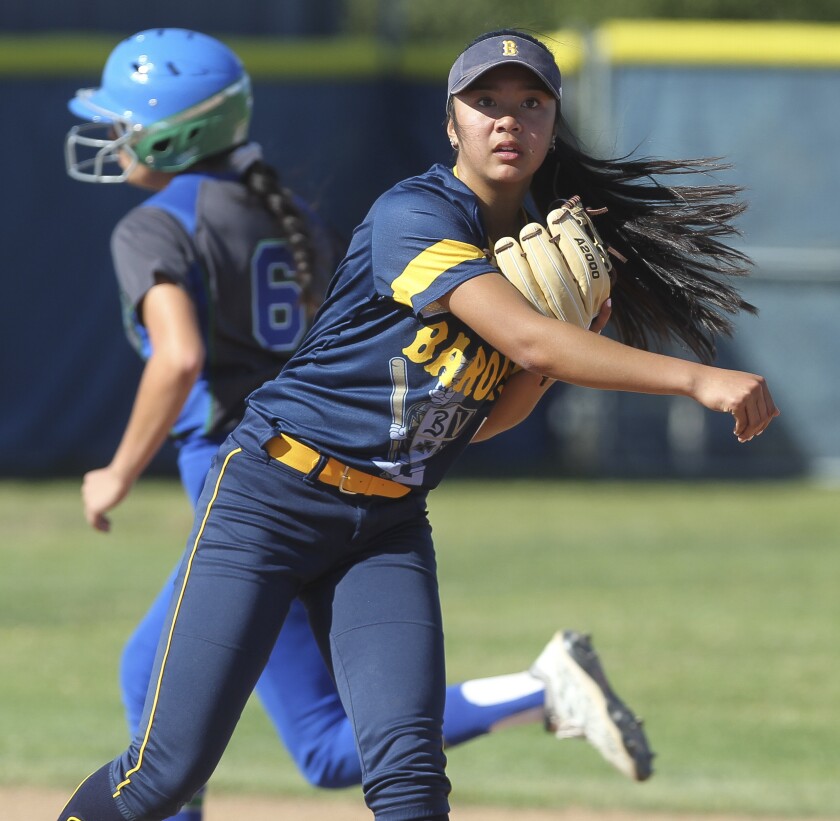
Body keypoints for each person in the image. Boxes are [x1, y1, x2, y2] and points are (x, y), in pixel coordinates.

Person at [58, 27, 778, 821]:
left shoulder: (534, 246)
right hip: (270, 497)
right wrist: (694, 376)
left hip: (386, 520)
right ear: (452, 124)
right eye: (486, 102)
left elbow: (474, 421)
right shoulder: (415, 211)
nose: (508, 119)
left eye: (530, 102)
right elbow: (530, 337)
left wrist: (544, 367)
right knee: (165, 768)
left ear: (552, 123)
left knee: (407, 778)